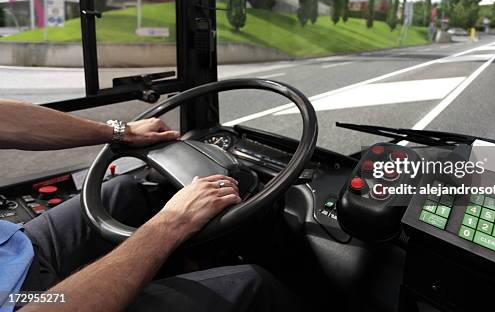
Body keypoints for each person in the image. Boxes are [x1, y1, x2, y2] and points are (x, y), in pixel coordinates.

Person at [0, 100, 299, 312]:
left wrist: (119, 132)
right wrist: (170, 223)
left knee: (127, 193)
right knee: (253, 286)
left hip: (13, 251)